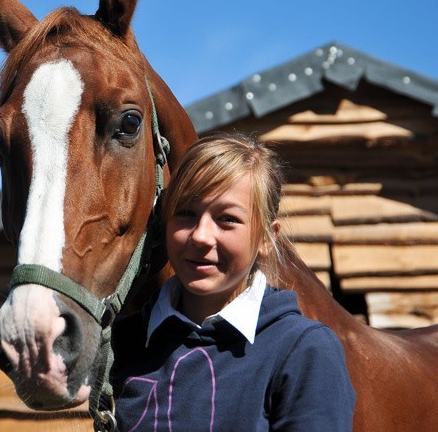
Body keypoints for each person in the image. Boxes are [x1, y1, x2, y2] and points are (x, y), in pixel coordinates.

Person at [111, 132, 355, 431]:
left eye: (226, 219)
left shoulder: (304, 350)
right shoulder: (118, 344)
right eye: (185, 213)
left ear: (267, 238)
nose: (201, 236)